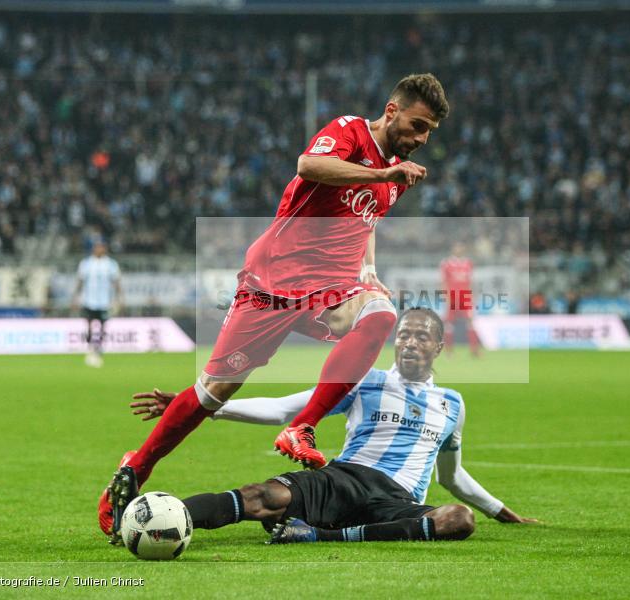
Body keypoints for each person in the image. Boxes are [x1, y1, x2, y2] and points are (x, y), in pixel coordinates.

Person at [98, 74, 450, 539]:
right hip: (272, 283)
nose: (421, 138)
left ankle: (300, 428)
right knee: (212, 393)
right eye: (417, 124)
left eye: (429, 132)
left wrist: (367, 270)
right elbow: (309, 166)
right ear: (391, 110)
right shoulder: (350, 131)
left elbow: (365, 221)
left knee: (380, 312)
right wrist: (382, 173)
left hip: (328, 289)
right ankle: (138, 465)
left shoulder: (396, 173)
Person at [128, 308, 536, 544]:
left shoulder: (452, 404)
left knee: (459, 519)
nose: (411, 343)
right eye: (404, 335)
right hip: (342, 478)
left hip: (397, 500)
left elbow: (453, 475)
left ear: (439, 347)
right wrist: (201, 408)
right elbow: (283, 409)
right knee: (259, 496)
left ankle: (322, 536)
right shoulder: (363, 379)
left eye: (421, 338)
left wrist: (501, 512)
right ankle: (151, 519)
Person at [72, 240, 122, 368]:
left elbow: (116, 282)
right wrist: (76, 297)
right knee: (88, 325)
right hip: (89, 300)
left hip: (105, 301)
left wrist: (119, 297)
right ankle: (89, 346)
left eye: (102, 247)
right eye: (97, 247)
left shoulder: (111, 264)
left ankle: (99, 347)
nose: (99, 249)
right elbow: (80, 281)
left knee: (103, 326)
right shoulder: (86, 263)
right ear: (94, 249)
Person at [439, 242, 481, 357]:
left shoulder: (468, 263)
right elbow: (443, 282)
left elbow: (471, 281)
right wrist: (445, 296)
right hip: (452, 297)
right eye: (457, 247)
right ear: (453, 249)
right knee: (449, 324)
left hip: (465, 297)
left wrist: (473, 297)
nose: (459, 249)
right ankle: (449, 351)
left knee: (471, 322)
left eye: (461, 247)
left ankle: (474, 350)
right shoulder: (446, 264)